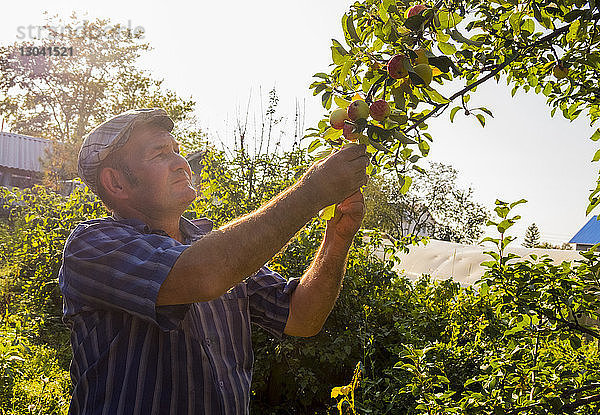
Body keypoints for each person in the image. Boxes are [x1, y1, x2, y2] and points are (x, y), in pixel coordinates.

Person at [59, 108, 369, 414]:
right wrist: (313, 190)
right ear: (116, 183)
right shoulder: (92, 246)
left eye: (177, 151)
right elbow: (203, 275)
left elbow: (303, 318)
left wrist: (337, 238)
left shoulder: (213, 247)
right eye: (160, 154)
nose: (182, 163)